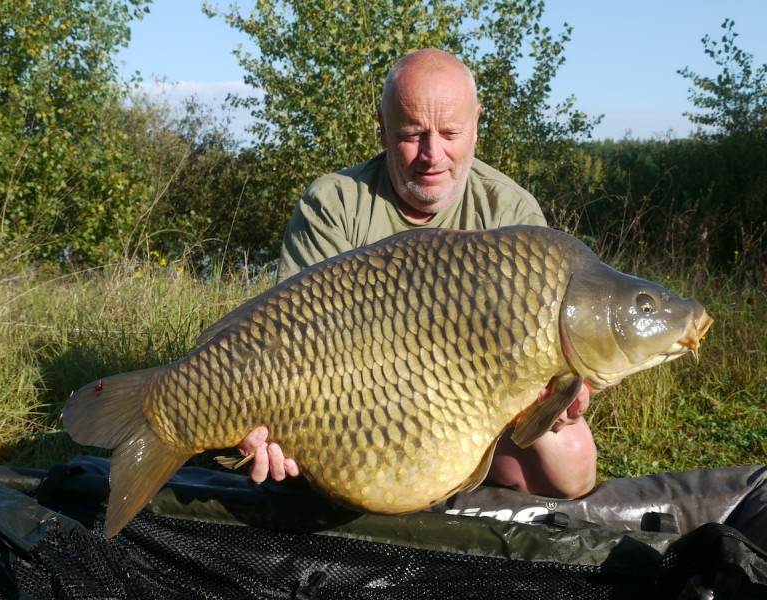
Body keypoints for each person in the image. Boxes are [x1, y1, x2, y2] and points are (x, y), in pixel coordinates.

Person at [237, 48, 597, 500]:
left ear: (476, 123)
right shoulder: (335, 204)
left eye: (450, 132)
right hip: (354, 406)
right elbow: (284, 342)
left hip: (473, 407)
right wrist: (268, 422)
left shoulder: (511, 213)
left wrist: (559, 398)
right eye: (411, 134)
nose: (432, 154)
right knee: (300, 474)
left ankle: (455, 479)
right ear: (384, 130)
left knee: (574, 464)